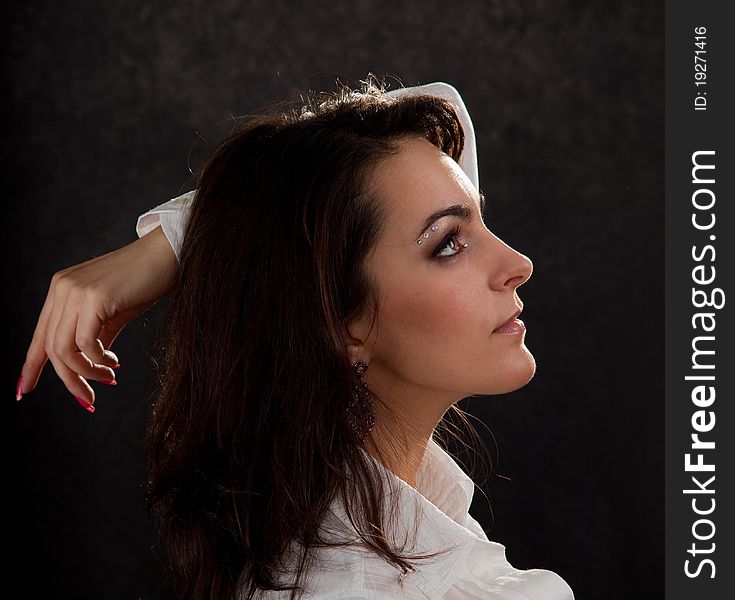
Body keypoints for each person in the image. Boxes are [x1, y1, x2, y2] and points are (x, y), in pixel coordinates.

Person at [17, 76, 575, 600]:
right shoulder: (356, 586)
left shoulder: (379, 532)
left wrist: (180, 242)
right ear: (338, 322)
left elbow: (433, 106)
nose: (519, 263)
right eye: (449, 243)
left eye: (481, 219)